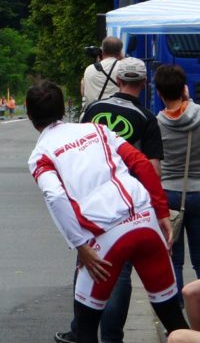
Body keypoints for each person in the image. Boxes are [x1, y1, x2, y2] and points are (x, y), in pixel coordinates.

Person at [26, 80, 187, 343]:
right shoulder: (98, 130)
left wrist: (80, 245)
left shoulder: (41, 154)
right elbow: (141, 164)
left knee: (86, 329)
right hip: (145, 221)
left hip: (106, 237)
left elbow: (55, 196)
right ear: (62, 109)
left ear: (30, 114)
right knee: (173, 318)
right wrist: (160, 213)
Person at [55, 57, 164, 343]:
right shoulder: (146, 118)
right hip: (125, 203)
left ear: (118, 81)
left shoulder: (93, 108)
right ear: (143, 83)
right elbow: (152, 168)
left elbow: (74, 148)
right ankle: (112, 337)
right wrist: (156, 207)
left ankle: (79, 330)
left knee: (86, 263)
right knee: (121, 272)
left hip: (90, 198)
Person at [155, 64, 200, 298]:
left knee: (174, 259)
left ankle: (176, 316)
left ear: (159, 93)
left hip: (169, 195)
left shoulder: (157, 124)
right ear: (184, 88)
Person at [81, 36, 123, 111]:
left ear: (102, 51)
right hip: (116, 114)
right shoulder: (123, 68)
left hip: (93, 115)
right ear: (120, 52)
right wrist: (122, 58)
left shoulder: (89, 69)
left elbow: (83, 92)